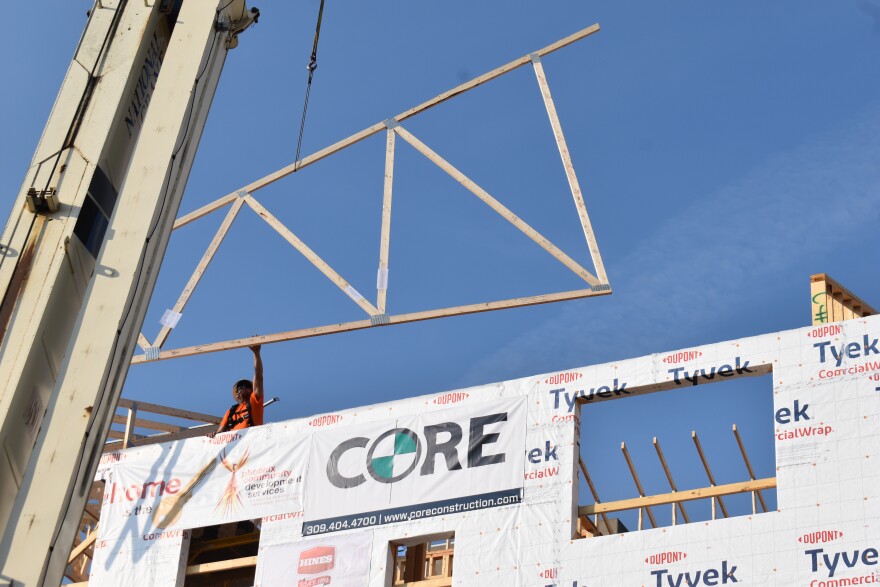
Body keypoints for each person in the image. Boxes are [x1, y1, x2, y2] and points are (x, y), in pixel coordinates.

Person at [214, 345, 264, 435]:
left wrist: (256, 353)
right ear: (237, 394)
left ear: (252, 391)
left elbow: (258, 375)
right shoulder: (231, 411)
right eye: (240, 387)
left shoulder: (254, 403)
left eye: (247, 386)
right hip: (235, 447)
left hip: (252, 444)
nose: (244, 387)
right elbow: (219, 433)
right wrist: (213, 435)